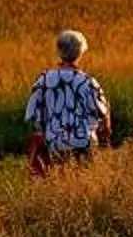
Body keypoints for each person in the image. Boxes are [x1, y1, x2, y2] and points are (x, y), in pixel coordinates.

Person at [25, 29, 113, 170]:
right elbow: (103, 115)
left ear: (59, 51)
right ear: (80, 53)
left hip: (53, 143)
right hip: (84, 144)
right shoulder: (88, 82)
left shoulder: (43, 80)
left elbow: (32, 115)